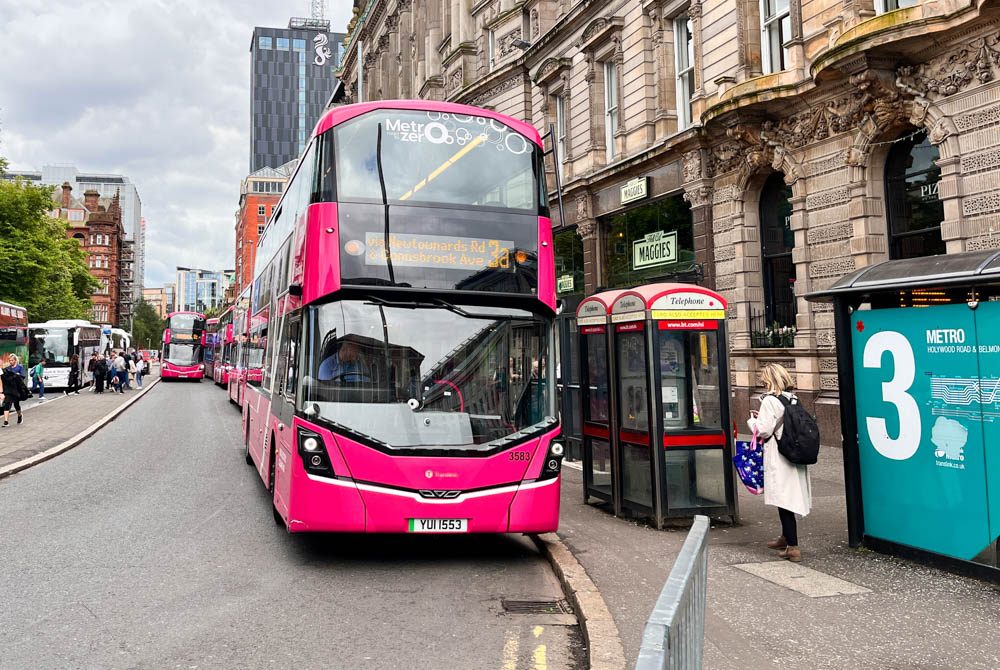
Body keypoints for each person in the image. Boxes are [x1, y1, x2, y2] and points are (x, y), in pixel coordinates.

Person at [747, 363, 812, 563]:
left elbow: (764, 430)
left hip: (779, 455)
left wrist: (752, 421)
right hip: (794, 453)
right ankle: (785, 538)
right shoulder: (792, 398)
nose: (763, 383)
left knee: (784, 500)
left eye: (764, 379)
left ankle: (793, 547)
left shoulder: (769, 401)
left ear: (770, 380)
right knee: (788, 496)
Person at [1, 355, 26, 426]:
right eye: (9, 360)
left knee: (16, 404)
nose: (10, 362)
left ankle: (20, 415)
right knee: (7, 404)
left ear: (15, 360)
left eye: (12, 360)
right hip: (8, 389)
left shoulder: (19, 367)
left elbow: (23, 376)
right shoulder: (7, 369)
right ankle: (6, 421)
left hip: (16, 388)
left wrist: (17, 375)